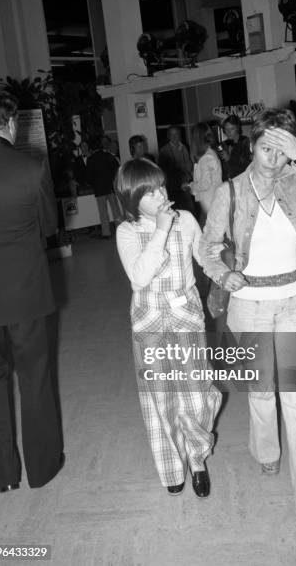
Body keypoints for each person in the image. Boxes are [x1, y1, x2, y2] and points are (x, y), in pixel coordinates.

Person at [200, 108, 296, 541]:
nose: (272, 159)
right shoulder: (230, 191)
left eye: (281, 151)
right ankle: (265, 449)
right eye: (265, 148)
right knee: (261, 391)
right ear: (251, 145)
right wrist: (225, 274)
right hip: (249, 305)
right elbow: (206, 249)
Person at [115, 158, 222, 497]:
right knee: (159, 397)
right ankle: (172, 466)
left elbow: (204, 257)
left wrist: (219, 262)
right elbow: (139, 277)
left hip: (186, 315)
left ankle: (197, 456)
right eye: (148, 193)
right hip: (149, 319)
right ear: (132, 200)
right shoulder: (127, 231)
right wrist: (160, 229)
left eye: (160, 186)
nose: (160, 195)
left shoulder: (186, 219)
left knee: (197, 394)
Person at [0, 90, 64, 493]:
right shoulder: (31, 167)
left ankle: (3, 476)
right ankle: (42, 468)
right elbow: (48, 227)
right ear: (10, 124)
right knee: (34, 377)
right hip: (25, 293)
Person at [185, 122, 222, 224]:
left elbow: (205, 184)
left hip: (210, 203)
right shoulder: (208, 155)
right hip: (210, 203)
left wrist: (190, 186)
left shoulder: (207, 158)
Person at [86, 135, 121, 238]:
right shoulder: (108, 156)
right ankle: (120, 230)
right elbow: (116, 170)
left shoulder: (91, 158)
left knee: (103, 212)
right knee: (116, 211)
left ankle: (106, 233)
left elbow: (89, 176)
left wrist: (94, 184)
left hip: (99, 189)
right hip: (110, 188)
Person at [158, 126, 195, 212]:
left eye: (177, 134)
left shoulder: (184, 147)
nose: (175, 136)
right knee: (176, 211)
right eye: (172, 134)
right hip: (173, 187)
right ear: (168, 136)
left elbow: (189, 166)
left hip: (186, 184)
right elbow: (164, 170)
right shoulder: (164, 150)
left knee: (189, 210)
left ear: (180, 135)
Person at [218, 115, 251, 179]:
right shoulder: (224, 144)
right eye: (226, 129)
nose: (228, 132)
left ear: (237, 128)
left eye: (232, 129)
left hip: (242, 181)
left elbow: (248, 166)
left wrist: (229, 159)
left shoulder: (245, 142)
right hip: (228, 182)